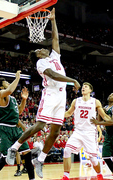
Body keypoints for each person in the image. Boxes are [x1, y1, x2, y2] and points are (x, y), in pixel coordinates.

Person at [7, 8, 80, 179]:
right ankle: (14, 147)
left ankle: (40, 159)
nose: (43, 48)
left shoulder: (55, 56)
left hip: (61, 96)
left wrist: (53, 20)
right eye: (40, 49)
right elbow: (54, 75)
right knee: (40, 126)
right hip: (51, 95)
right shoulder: (40, 63)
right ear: (38, 55)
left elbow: (55, 38)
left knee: (55, 132)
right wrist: (72, 80)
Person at [0, 71, 35, 180]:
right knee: (5, 158)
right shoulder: (0, 94)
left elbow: (20, 111)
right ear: (1, 87)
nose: (9, 83)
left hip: (15, 129)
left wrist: (24, 100)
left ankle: (32, 179)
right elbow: (9, 90)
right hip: (4, 129)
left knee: (27, 153)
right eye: (6, 82)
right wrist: (17, 77)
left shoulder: (12, 99)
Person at [62, 82, 112, 180]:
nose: (83, 88)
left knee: (93, 159)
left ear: (90, 90)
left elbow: (104, 116)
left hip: (90, 132)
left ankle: (99, 174)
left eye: (86, 87)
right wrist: (57, 114)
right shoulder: (76, 101)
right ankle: (66, 176)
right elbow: (68, 113)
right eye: (83, 87)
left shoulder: (95, 102)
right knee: (67, 150)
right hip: (78, 131)